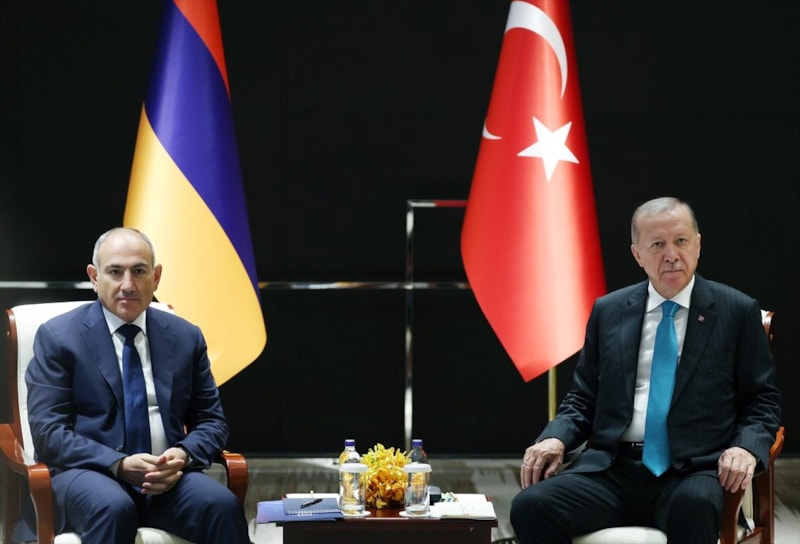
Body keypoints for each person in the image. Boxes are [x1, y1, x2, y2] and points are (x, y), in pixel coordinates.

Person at [510, 197, 782, 544]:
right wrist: (555, 437)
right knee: (530, 506)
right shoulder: (609, 311)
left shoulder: (736, 311)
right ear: (637, 254)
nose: (672, 255)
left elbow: (762, 402)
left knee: (695, 506)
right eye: (657, 245)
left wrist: (745, 448)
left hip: (692, 470)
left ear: (698, 244)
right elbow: (582, 398)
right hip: (613, 469)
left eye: (681, 241)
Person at [13, 227, 250, 544]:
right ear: (94, 277)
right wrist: (119, 464)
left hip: (166, 479)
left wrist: (182, 455)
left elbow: (212, 421)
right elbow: (48, 433)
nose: (128, 284)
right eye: (115, 272)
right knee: (113, 507)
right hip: (88, 476)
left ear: (156, 277)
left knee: (221, 506)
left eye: (139, 271)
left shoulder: (185, 337)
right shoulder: (59, 337)